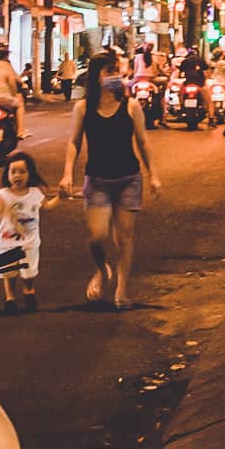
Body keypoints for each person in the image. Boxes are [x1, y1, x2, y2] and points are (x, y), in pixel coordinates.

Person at [59, 52, 160, 309]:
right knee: (96, 236)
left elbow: (143, 142)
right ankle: (102, 269)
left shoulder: (131, 106)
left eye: (116, 70)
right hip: (97, 180)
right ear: (96, 76)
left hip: (128, 179)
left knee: (123, 238)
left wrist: (153, 175)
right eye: (108, 71)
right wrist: (67, 173)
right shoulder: (83, 108)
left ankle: (121, 290)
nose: (114, 76)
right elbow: (74, 142)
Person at [0, 152, 50, 313]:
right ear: (7, 174)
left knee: (29, 271)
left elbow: (47, 206)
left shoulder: (35, 193)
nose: (17, 176)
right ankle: (10, 298)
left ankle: (29, 290)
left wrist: (60, 196)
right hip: (6, 242)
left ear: (29, 174)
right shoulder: (3, 195)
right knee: (8, 272)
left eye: (22, 172)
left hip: (29, 242)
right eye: (13, 172)